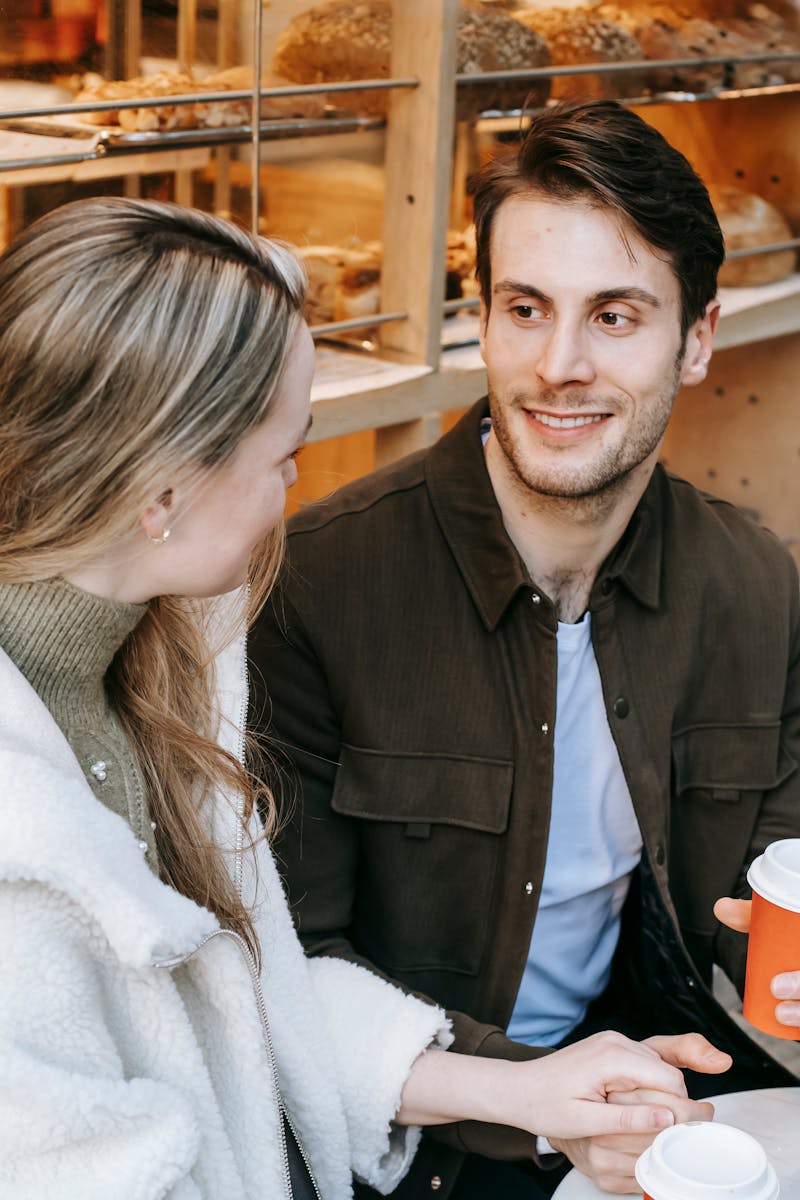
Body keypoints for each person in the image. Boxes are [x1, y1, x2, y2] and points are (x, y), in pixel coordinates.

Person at [0, 195, 719, 1200]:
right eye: (281, 455)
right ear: (159, 491)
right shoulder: (19, 857)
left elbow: (248, 1009)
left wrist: (529, 1091)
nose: (297, 487)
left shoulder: (159, 664)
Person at [250, 99, 800, 1199]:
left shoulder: (752, 582)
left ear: (696, 340)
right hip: (408, 1142)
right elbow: (277, 974)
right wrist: (537, 1098)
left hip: (654, 1092)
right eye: (524, 308)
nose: (557, 365)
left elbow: (772, 888)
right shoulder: (311, 585)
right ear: (481, 318)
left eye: (613, 316)